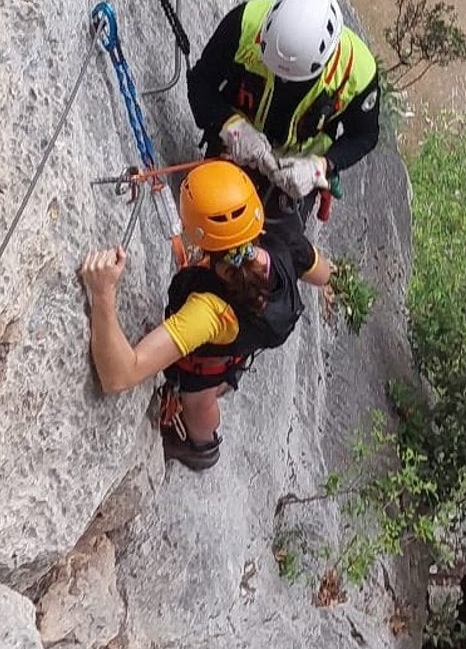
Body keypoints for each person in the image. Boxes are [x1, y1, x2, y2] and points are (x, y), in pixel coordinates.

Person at [77, 159, 331, 471]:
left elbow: (119, 376)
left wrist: (102, 293)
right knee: (220, 370)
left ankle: (200, 448)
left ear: (196, 235)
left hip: (214, 354)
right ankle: (216, 404)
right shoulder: (284, 239)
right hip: (245, 341)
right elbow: (322, 274)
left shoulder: (208, 311)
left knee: (197, 400)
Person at [184, 0, 380, 213]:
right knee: (210, 216)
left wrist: (320, 167)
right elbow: (200, 83)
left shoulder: (357, 71)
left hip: (298, 174)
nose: (282, 81)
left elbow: (364, 136)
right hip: (236, 147)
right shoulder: (245, 24)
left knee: (281, 247)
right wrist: (232, 127)